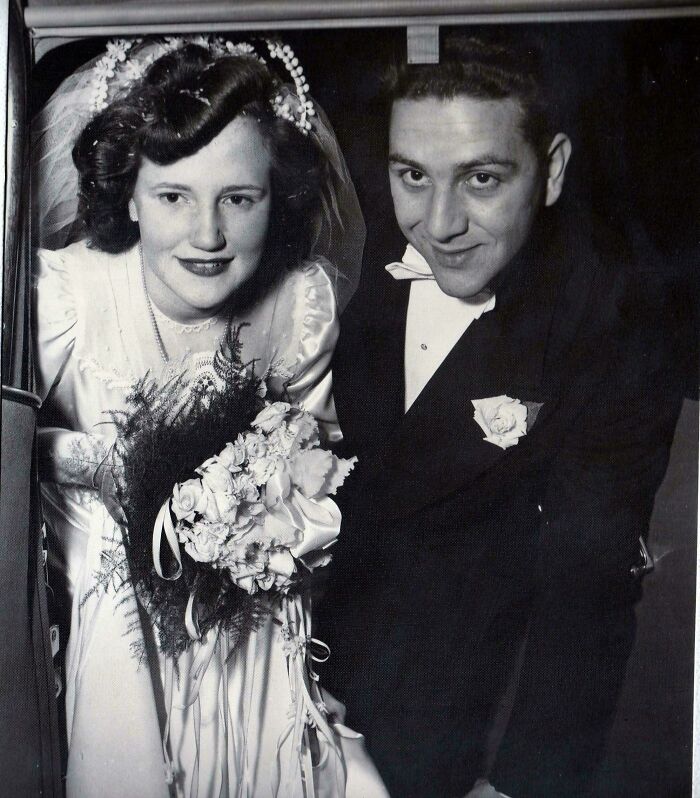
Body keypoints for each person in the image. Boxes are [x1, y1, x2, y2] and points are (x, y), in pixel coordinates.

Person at [319, 34, 683, 798]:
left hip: (454, 719)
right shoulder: (348, 250)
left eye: (482, 179)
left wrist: (520, 783)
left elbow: (590, 587)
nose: (439, 223)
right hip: (292, 677)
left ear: (550, 170)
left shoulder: (611, 314)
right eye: (411, 175)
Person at [33, 36, 387, 798]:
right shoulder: (65, 298)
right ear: (129, 194)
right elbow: (13, 451)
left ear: (277, 197)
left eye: (238, 199)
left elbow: (313, 467)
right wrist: (96, 466)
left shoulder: (299, 304)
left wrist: (269, 509)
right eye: (174, 197)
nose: (207, 236)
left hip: (248, 642)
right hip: (105, 632)